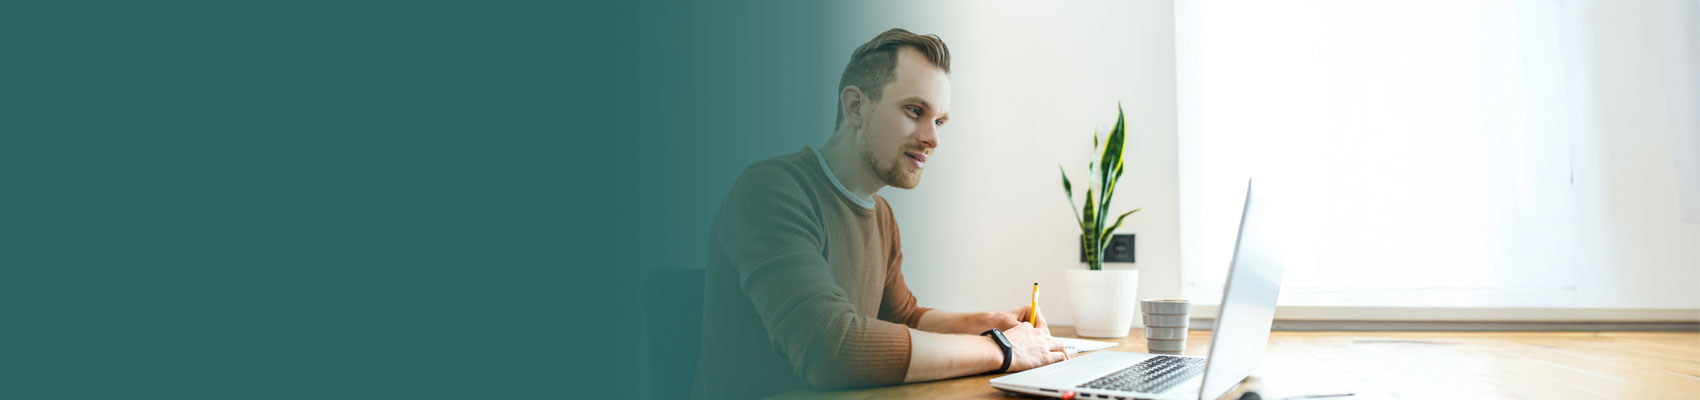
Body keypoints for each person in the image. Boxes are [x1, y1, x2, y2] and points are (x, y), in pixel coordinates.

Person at [690, 28, 1069, 400]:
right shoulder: (771, 190)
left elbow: (901, 317)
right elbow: (831, 349)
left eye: (939, 121)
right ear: (856, 106)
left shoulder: (881, 214)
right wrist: (1002, 349)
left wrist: (989, 322)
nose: (933, 139)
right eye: (915, 111)